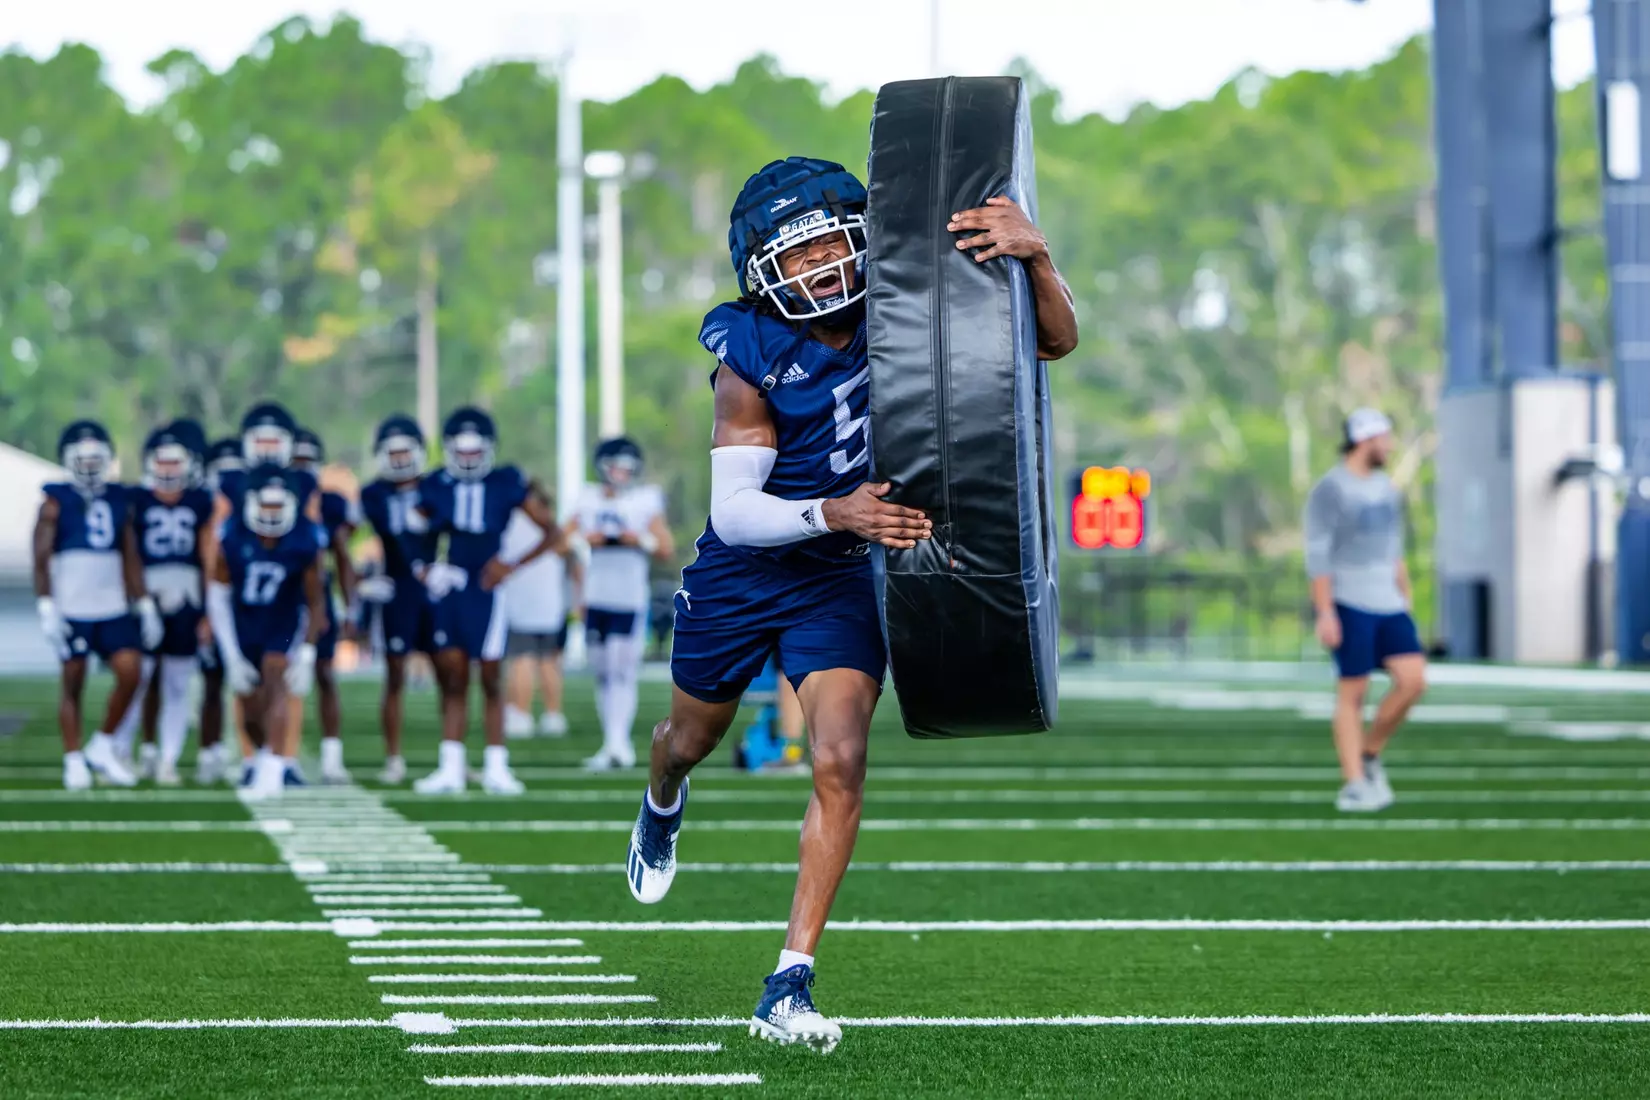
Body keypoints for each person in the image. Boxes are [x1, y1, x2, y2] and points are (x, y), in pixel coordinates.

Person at [624, 157, 1078, 1050]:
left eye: (831, 242)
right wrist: (834, 508)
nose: (822, 268)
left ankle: (788, 982)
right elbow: (735, 513)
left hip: (838, 569)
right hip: (747, 567)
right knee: (690, 740)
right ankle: (663, 801)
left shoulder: (910, 303)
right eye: (797, 258)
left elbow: (1052, 342)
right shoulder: (747, 358)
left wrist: (1035, 257)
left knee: (838, 757)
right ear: (762, 271)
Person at [412, 407, 565, 795]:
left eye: (473, 452)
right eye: (460, 453)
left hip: (488, 590)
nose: (467, 460)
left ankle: (497, 766)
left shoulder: (506, 482)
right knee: (453, 678)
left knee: (491, 678)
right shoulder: (433, 485)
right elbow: (410, 535)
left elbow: (552, 531)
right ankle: (451, 766)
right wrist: (425, 568)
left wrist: (510, 565)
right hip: (451, 587)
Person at [1305, 408, 1427, 813]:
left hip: (1387, 601)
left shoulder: (1386, 489)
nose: (1389, 446)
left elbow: (1394, 551)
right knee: (1352, 693)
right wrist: (1325, 611)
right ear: (1365, 439)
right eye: (1384, 438)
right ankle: (1354, 781)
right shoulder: (1330, 489)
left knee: (1413, 681)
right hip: (1349, 600)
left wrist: (1404, 596)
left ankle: (1370, 754)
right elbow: (1318, 554)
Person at [33, 420, 165, 789]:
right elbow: (40, 556)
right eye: (82, 458)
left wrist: (144, 603)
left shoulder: (119, 499)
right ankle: (73, 757)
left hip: (112, 604)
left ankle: (103, 744)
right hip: (73, 605)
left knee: (132, 673)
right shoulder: (55, 500)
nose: (90, 465)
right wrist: (46, 605)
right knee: (73, 681)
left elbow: (129, 555)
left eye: (96, 458)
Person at [205, 464, 326, 800]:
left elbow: (316, 602)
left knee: (275, 680)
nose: (271, 515)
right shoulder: (232, 536)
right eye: (265, 506)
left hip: (284, 621)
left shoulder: (304, 539)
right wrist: (230, 655)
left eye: (278, 507)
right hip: (243, 622)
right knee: (249, 700)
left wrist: (306, 651)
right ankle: (260, 759)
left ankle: (274, 766)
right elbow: (217, 596)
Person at [113, 422, 216, 786]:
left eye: (176, 463)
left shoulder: (201, 500)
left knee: (177, 684)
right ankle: (120, 753)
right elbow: (128, 555)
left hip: (186, 596)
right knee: (135, 680)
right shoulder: (135, 500)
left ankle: (168, 760)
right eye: (164, 462)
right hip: (148, 597)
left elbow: (208, 556)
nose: (170, 470)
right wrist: (139, 600)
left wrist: (208, 611)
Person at [569, 437, 674, 770]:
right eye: (615, 466)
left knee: (621, 671)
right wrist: (585, 540)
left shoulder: (644, 500)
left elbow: (665, 546)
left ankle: (620, 742)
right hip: (597, 595)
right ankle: (610, 740)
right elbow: (560, 541)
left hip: (628, 597)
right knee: (602, 670)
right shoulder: (587, 498)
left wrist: (638, 539)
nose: (621, 473)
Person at [358, 414, 438, 785]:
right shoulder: (373, 493)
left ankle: (452, 755)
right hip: (396, 590)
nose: (401, 459)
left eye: (407, 451)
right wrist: (359, 581)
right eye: (394, 452)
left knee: (451, 674)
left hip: (435, 587)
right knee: (394, 675)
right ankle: (394, 758)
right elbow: (342, 537)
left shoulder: (436, 486)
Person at [291, 426, 360, 784]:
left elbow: (343, 557)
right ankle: (276, 755)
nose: (301, 469)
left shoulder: (330, 504)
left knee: (324, 675)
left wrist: (350, 608)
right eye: (295, 462)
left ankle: (332, 757)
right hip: (280, 600)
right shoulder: (271, 497)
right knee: (273, 679)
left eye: (307, 462)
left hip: (318, 597)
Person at [499, 505, 581, 740]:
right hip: (552, 606)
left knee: (521, 660)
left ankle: (521, 714)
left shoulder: (512, 523)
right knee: (548, 661)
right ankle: (553, 716)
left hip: (523, 603)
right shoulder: (554, 530)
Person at [195, 436, 244, 782]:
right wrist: (205, 613)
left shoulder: (252, 507)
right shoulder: (206, 511)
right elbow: (203, 562)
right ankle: (209, 751)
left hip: (248, 606)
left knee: (249, 684)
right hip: (214, 599)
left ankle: (252, 753)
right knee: (212, 683)